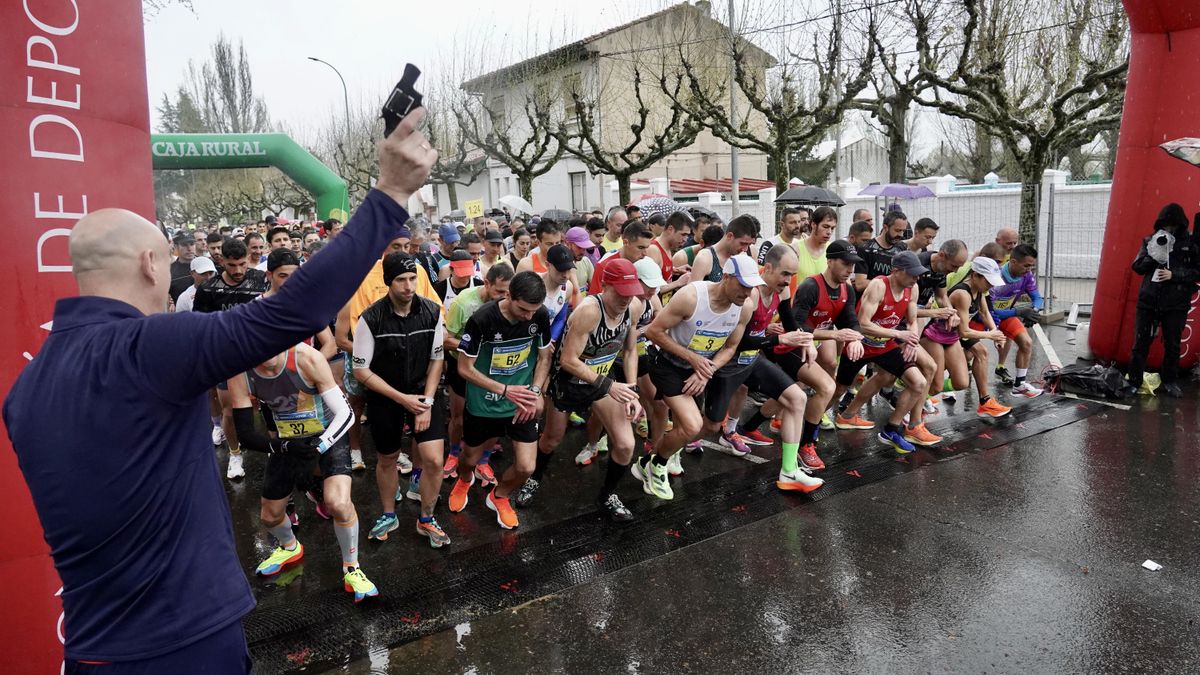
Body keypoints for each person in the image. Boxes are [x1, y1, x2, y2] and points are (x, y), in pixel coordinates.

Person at [2, 107, 435, 673]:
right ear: (151, 265)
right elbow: (293, 310)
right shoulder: (151, 347)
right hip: (185, 642)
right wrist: (391, 193)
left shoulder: (26, 386)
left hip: (89, 647)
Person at [227, 341, 373, 600]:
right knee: (270, 516)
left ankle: (352, 567)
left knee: (338, 503)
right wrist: (283, 446)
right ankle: (290, 546)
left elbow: (346, 414)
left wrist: (317, 450)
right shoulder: (240, 371)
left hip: (328, 433)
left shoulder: (306, 358)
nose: (267, 354)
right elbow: (246, 435)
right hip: (289, 441)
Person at [637, 254, 761, 500]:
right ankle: (656, 465)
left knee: (695, 427)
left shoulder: (744, 307)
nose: (747, 293)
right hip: (666, 363)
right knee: (692, 424)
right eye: (743, 285)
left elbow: (729, 348)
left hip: (698, 369)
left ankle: (650, 462)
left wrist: (707, 370)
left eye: (752, 287)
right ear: (726, 277)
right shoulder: (691, 297)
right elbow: (653, 331)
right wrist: (693, 359)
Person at [353, 253, 451, 547]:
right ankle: (387, 513)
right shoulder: (370, 318)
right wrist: (402, 399)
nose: (408, 286)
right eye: (400, 280)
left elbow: (437, 358)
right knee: (388, 458)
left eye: (412, 279)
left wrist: (427, 401)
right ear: (388, 283)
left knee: (434, 460)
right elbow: (361, 370)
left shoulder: (432, 311)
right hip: (386, 395)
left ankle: (427, 518)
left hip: (424, 393)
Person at [536, 259, 645, 521]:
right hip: (568, 382)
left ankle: (607, 494)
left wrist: (631, 391)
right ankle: (534, 478)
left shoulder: (634, 307)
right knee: (552, 439)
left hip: (602, 382)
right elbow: (568, 360)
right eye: (620, 292)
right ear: (605, 285)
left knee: (626, 444)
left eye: (630, 293)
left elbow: (630, 350)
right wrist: (610, 385)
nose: (625, 299)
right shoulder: (589, 311)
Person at [448, 272, 554, 529]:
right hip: (484, 404)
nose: (529, 316)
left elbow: (544, 357)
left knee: (527, 467)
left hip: (521, 404)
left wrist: (536, 392)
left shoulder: (538, 315)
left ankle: (499, 496)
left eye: (534, 311)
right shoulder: (482, 319)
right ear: (508, 295)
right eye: (524, 309)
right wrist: (506, 390)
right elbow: (464, 368)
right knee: (469, 459)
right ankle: (464, 480)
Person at [831, 251, 939, 452]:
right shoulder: (879, 286)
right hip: (861, 343)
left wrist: (912, 340)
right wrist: (899, 335)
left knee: (918, 382)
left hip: (886, 344)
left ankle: (891, 429)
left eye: (918, 274)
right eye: (912, 274)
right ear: (896, 271)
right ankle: (809, 426)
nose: (917, 278)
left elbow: (912, 320)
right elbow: (863, 324)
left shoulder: (912, 288)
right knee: (838, 390)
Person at [194, 237, 271, 480]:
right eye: (231, 265)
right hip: (226, 359)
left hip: (262, 356)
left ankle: (273, 450)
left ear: (249, 260)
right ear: (221, 261)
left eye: (242, 264)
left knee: (271, 406)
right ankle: (235, 454)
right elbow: (200, 328)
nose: (238, 271)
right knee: (229, 410)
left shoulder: (261, 281)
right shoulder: (208, 289)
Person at [442, 264, 514, 487]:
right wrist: (473, 346)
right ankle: (454, 453)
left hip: (493, 370)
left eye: (508, 292)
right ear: (486, 283)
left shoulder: (509, 305)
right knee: (459, 416)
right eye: (499, 292)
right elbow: (446, 338)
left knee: (493, 420)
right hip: (462, 366)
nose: (504, 297)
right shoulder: (465, 302)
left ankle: (483, 460)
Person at [922, 257, 1014, 419]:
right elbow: (964, 332)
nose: (991, 285)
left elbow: (985, 313)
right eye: (988, 281)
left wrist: (996, 333)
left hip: (951, 337)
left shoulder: (980, 290)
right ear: (975, 276)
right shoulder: (962, 294)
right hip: (934, 336)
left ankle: (922, 392)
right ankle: (915, 398)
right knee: (936, 386)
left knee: (961, 383)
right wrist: (990, 335)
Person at [788, 240, 865, 429]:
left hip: (819, 335)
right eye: (845, 264)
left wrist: (855, 338)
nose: (850, 270)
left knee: (830, 367)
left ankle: (815, 415)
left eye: (852, 265)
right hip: (794, 341)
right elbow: (796, 326)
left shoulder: (846, 289)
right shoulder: (810, 287)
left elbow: (851, 321)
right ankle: (771, 419)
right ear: (830, 262)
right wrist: (833, 336)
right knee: (794, 388)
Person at [1126, 202, 1198, 398]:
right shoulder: (1151, 240)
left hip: (1176, 303)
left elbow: (1197, 271)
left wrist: (1174, 275)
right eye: (1166, 225)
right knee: (1141, 343)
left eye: (1173, 225)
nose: (1169, 229)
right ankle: (1134, 381)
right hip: (1149, 301)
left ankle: (1170, 382)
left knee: (1173, 344)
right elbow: (1138, 266)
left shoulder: (1190, 244)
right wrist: (1153, 256)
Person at [989, 243, 1045, 396]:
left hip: (1006, 315)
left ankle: (1019, 385)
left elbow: (1038, 298)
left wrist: (1034, 311)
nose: (1029, 270)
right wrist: (1020, 311)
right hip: (984, 317)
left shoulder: (1026, 275)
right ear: (1013, 262)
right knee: (967, 354)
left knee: (1026, 342)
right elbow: (991, 310)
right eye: (1026, 266)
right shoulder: (996, 277)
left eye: (1032, 267)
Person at [690, 214, 759, 283]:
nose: (745, 249)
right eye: (742, 243)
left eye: (748, 244)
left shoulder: (745, 257)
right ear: (730, 236)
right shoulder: (705, 258)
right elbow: (691, 292)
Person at [854, 210, 909, 292]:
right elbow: (860, 284)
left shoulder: (902, 248)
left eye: (903, 231)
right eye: (897, 230)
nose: (901, 235)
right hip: (871, 300)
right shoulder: (866, 249)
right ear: (885, 227)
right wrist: (890, 283)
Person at [591, 220, 652, 292]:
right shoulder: (605, 266)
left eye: (646, 248)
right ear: (626, 242)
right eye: (640, 248)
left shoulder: (646, 263)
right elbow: (595, 299)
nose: (645, 253)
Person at [644, 211, 692, 295]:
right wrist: (678, 283)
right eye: (683, 234)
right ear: (670, 229)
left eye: (687, 235)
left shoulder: (668, 247)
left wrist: (674, 270)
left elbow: (660, 272)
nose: (685, 239)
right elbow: (650, 290)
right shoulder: (653, 250)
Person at [563, 225, 597, 292]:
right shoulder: (558, 266)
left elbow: (595, 288)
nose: (583, 251)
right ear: (568, 244)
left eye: (585, 247)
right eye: (579, 247)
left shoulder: (586, 261)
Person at [169, 231, 198, 301]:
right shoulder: (169, 271)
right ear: (176, 246)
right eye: (184, 245)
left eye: (192, 244)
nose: (189, 248)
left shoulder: (206, 265)